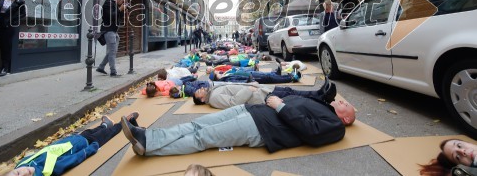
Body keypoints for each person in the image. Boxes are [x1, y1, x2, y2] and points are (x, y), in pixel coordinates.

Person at [121, 91, 354, 157]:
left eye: (346, 105)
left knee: (203, 138)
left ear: (346, 119)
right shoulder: (324, 106)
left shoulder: (335, 126)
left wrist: (281, 106)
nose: (342, 101)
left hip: (260, 127)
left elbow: (311, 132)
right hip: (251, 111)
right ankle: (147, 138)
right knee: (197, 125)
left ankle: (148, 145)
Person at [9, 112, 139, 176]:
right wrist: (92, 148)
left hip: (74, 139)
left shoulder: (22, 163)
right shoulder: (46, 171)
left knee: (89, 131)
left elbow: (46, 149)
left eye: (16, 174)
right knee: (106, 134)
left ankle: (104, 125)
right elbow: (73, 159)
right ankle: (123, 123)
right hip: (85, 144)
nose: (22, 173)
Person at [193, 77, 338, 109]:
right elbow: (234, 103)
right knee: (292, 97)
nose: (198, 90)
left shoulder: (213, 90)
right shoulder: (214, 99)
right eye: (197, 94)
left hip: (260, 90)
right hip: (259, 96)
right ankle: (322, 98)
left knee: (289, 91)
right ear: (201, 100)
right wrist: (249, 89)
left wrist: (250, 84)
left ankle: (319, 92)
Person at [0, 0, 26, 76]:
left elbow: (23, 14)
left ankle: (4, 68)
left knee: (5, 47)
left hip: (8, 26)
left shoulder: (20, 2)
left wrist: (13, 21)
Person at [96, 0, 127, 77]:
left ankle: (101, 67)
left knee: (112, 51)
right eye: (122, 1)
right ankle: (113, 72)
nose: (123, 3)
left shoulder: (117, 6)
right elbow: (110, 16)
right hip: (108, 30)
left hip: (114, 31)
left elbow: (118, 18)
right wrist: (120, 9)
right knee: (112, 52)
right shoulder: (108, 3)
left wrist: (122, 11)